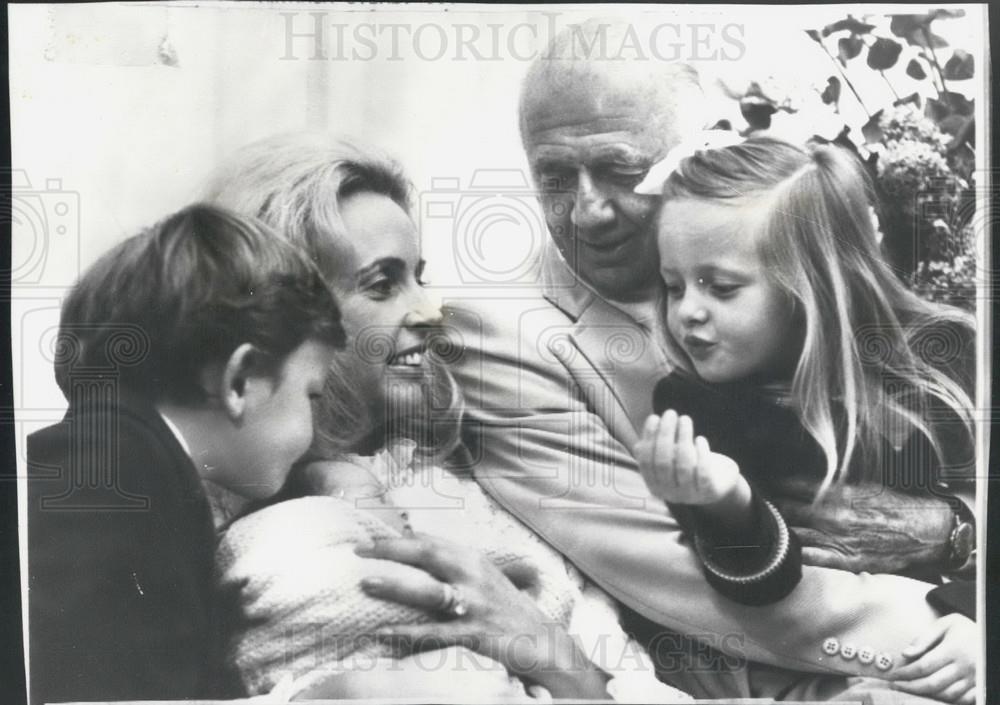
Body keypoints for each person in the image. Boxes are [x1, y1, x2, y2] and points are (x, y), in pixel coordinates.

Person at [441, 18, 978, 701]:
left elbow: (953, 444)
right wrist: (949, 635)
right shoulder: (495, 337)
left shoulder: (798, 224)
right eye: (554, 176)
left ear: (695, 150)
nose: (587, 210)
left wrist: (956, 537)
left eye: (619, 169)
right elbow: (677, 578)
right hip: (798, 666)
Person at [204, 133, 689, 702]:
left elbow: (626, 680)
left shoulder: (465, 473)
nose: (432, 312)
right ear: (282, 320)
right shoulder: (239, 527)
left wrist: (545, 650)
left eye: (419, 277)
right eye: (383, 284)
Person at [631, 135, 977, 704]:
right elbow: (765, 585)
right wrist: (726, 505)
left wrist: (977, 621)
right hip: (847, 669)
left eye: (721, 287)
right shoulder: (699, 407)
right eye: (673, 285)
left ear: (809, 285)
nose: (687, 309)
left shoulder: (939, 361)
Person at [26, 205, 343, 704]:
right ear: (242, 380)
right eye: (313, 394)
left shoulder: (134, 464)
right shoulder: (111, 471)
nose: (314, 422)